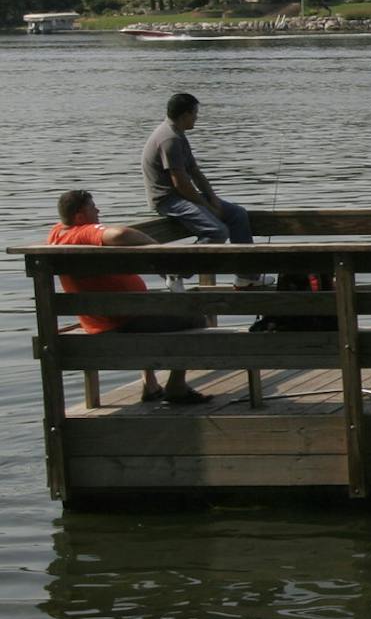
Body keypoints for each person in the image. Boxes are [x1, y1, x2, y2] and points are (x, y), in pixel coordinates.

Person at [45, 189, 208, 404]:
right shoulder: (82, 233)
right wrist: (160, 250)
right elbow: (120, 234)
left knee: (150, 306)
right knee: (195, 315)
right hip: (119, 320)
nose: (98, 210)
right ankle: (176, 386)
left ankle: (150, 385)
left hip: (106, 317)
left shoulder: (57, 234)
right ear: (79, 217)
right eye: (92, 207)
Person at [143, 91, 261, 286]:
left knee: (238, 215)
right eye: (195, 114)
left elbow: (194, 172)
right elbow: (179, 183)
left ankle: (247, 276)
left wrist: (212, 198)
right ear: (184, 115)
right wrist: (206, 206)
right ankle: (176, 272)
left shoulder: (179, 134)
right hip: (167, 199)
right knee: (217, 232)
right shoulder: (169, 139)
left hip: (183, 195)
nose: (197, 118)